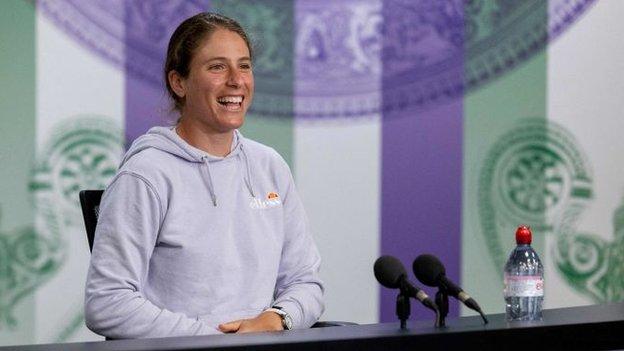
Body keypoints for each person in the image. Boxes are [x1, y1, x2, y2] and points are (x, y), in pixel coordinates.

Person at [84, 12, 324, 338]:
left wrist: (277, 318)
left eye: (244, 65)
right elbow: (108, 302)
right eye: (217, 67)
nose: (237, 80)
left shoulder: (270, 167)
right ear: (178, 82)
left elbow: (305, 281)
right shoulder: (146, 175)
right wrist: (209, 339)